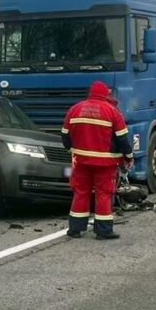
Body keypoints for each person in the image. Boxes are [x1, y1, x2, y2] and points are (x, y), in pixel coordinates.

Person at [61, 81, 133, 240]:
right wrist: (128, 157)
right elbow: (122, 139)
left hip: (81, 161)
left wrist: (72, 151)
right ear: (105, 94)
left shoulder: (75, 109)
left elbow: (65, 136)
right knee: (103, 194)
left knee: (80, 193)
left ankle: (75, 229)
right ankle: (103, 231)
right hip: (105, 163)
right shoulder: (112, 111)